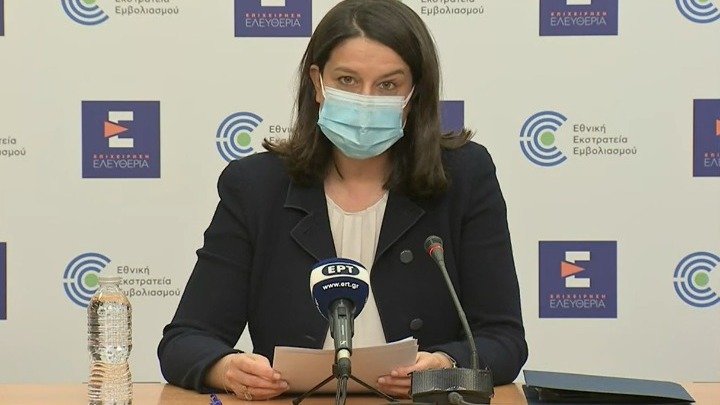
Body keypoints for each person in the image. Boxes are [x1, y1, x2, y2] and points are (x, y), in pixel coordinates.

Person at [157, 0, 528, 400]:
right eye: (348, 80)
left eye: (388, 85)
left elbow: (503, 338)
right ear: (318, 83)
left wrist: (444, 365)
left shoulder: (464, 177)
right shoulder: (256, 187)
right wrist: (228, 369)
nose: (365, 101)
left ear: (414, 92)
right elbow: (185, 341)